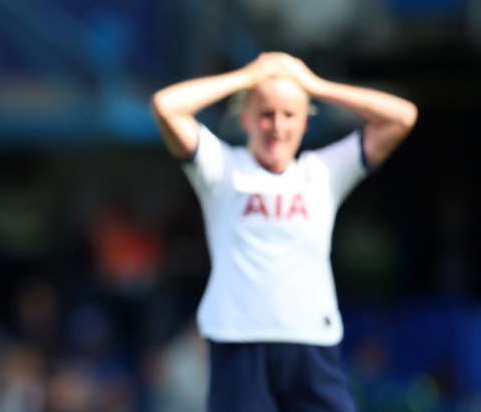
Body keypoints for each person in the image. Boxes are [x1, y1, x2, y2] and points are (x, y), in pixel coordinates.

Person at [150, 52, 417, 412]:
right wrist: (246, 77)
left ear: (305, 123)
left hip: (310, 340)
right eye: (265, 114)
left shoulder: (322, 172)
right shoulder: (222, 168)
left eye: (289, 114)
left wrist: (315, 86)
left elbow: (402, 117)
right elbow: (166, 107)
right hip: (238, 339)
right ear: (245, 118)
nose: (277, 126)